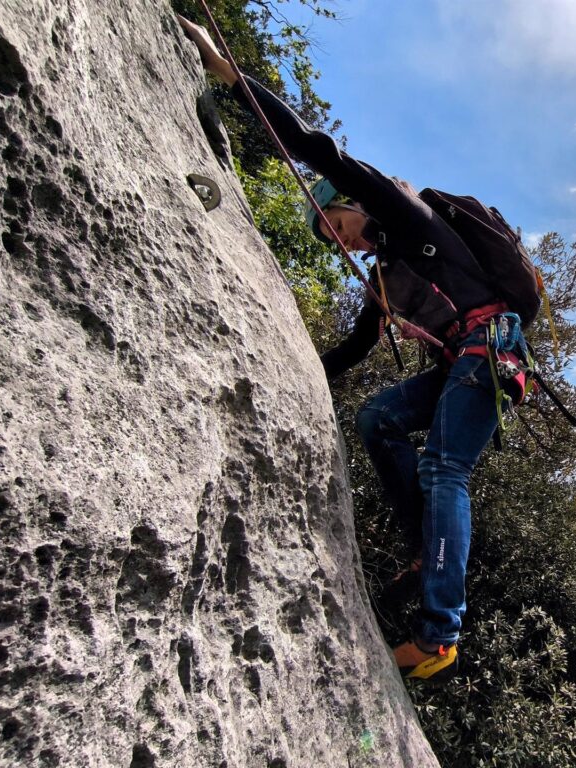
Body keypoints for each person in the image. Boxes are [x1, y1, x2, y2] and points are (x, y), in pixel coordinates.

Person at [178, 15, 523, 683]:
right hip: (465, 362)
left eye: (341, 227)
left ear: (352, 205)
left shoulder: (405, 213)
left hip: (491, 346)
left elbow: (320, 151)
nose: (351, 245)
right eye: (340, 243)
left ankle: (439, 634)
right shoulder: (386, 279)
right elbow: (355, 349)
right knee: (378, 418)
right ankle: (430, 549)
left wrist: (230, 71)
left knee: (445, 468)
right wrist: (296, 371)